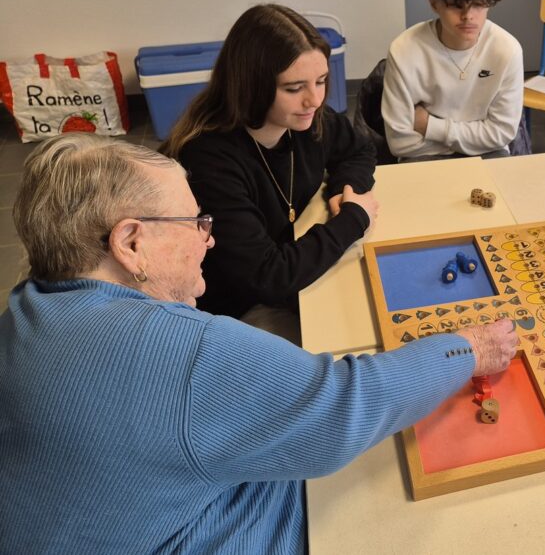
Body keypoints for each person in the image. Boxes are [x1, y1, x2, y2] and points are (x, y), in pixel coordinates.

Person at [0, 135, 518, 553]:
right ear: (131, 243)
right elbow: (347, 405)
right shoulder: (181, 350)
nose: (209, 239)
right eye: (194, 222)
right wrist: (469, 347)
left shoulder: (24, 310)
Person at [161, 4, 378, 341]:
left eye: (321, 81)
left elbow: (358, 149)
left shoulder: (305, 119)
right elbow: (267, 277)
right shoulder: (208, 160)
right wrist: (353, 219)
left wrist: (345, 188)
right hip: (234, 310)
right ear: (252, 86)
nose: (315, 100)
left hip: (294, 270)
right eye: (294, 88)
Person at [381, 0, 524, 161]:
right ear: (433, 3)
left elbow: (501, 134)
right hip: (423, 157)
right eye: (456, 5)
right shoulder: (404, 50)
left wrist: (428, 125)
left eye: (478, 4)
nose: (468, 16)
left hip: (489, 154)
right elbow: (401, 143)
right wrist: (472, 138)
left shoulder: (507, 50)